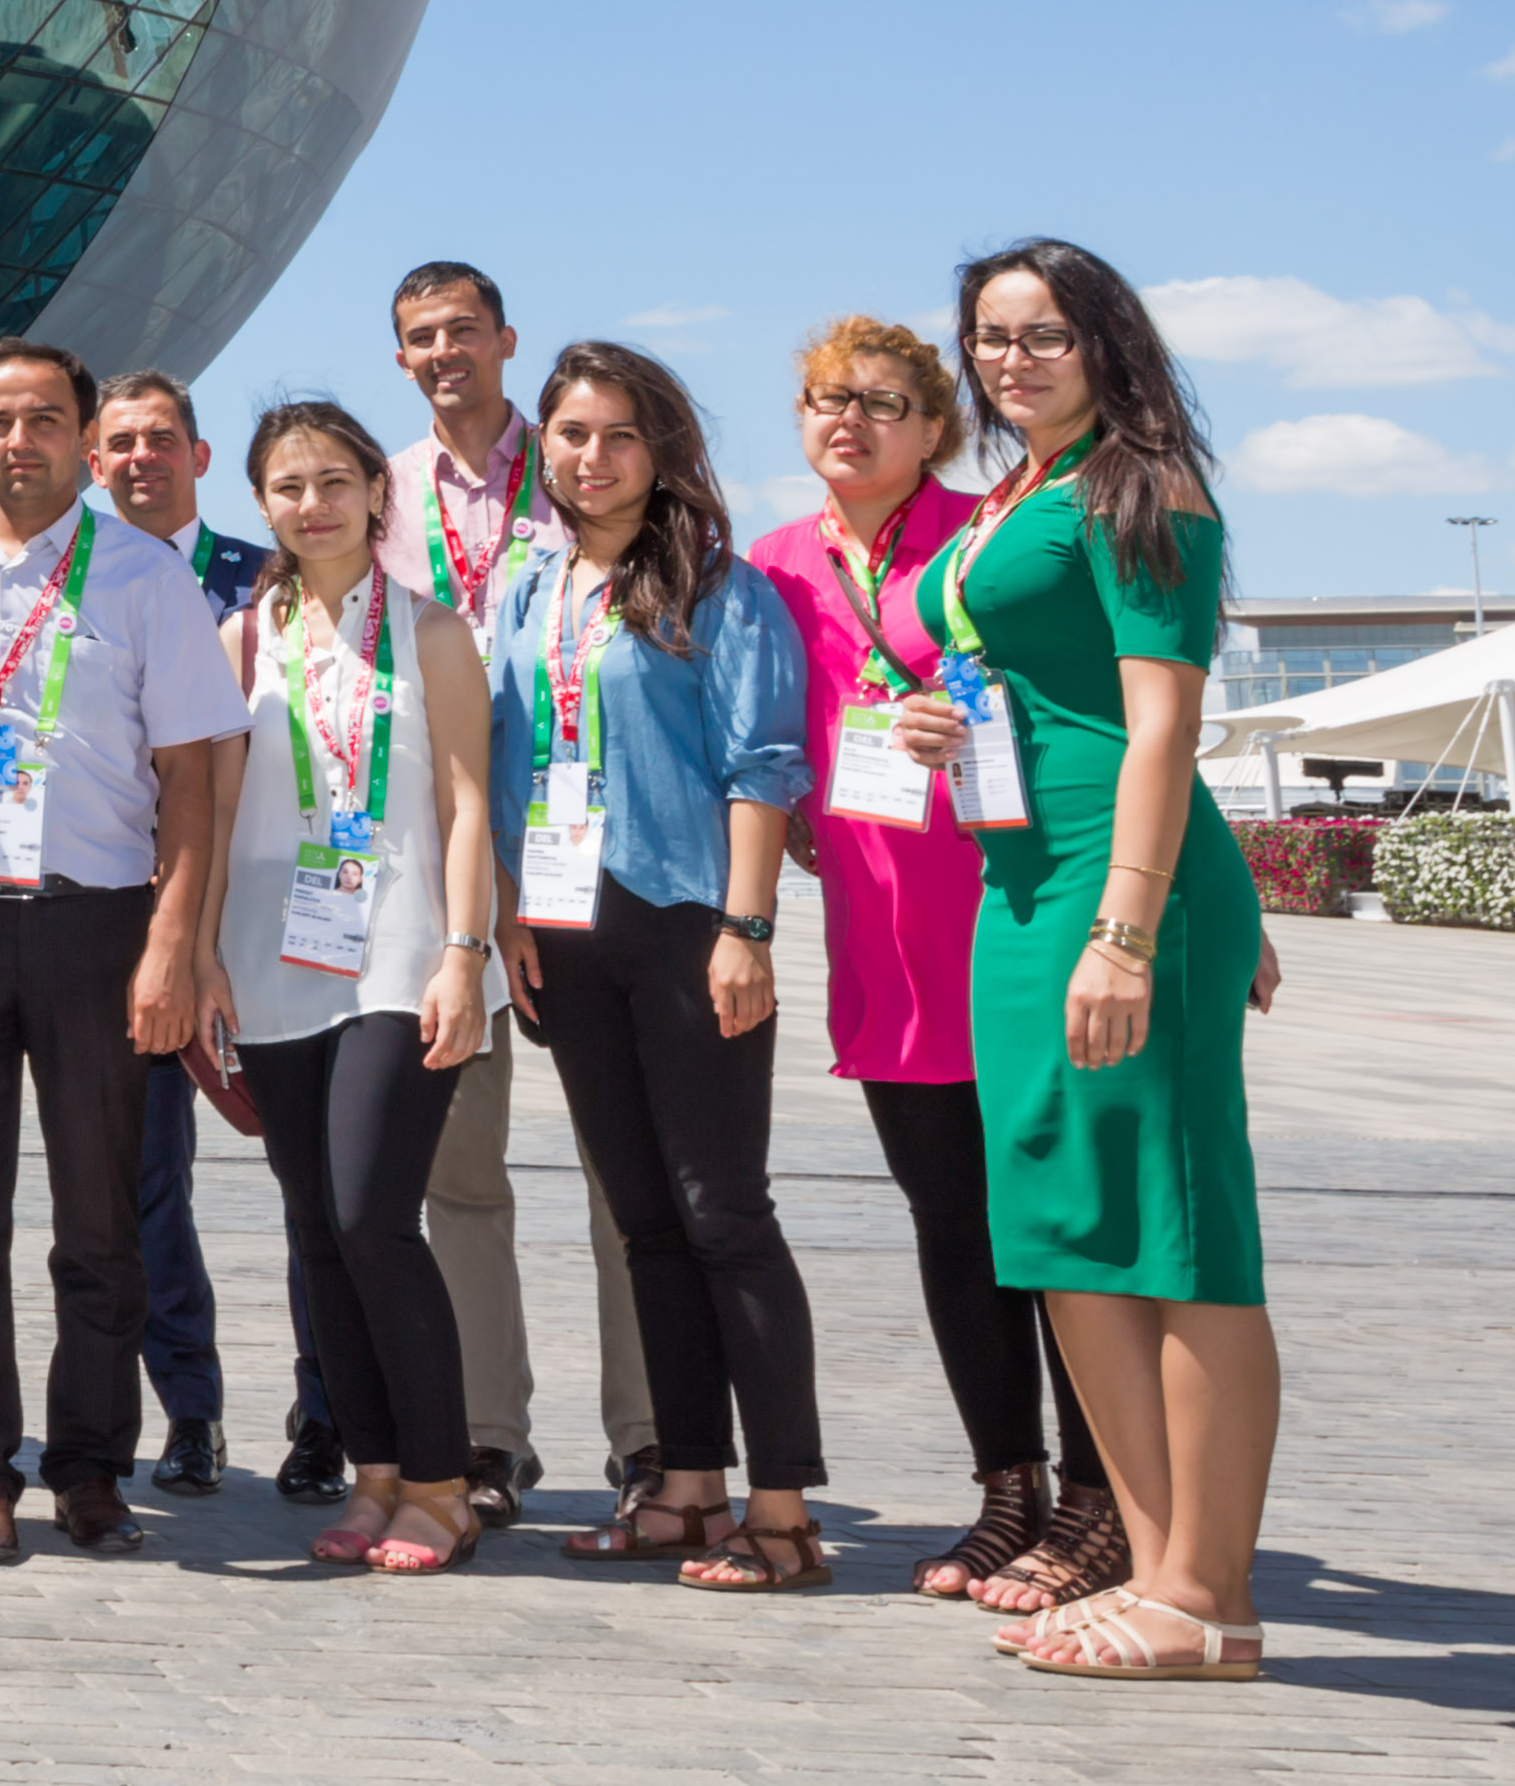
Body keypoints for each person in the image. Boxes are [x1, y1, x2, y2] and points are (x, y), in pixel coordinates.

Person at [912, 244, 1279, 1685]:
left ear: (1106, 342)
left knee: (1173, 1237)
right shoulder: (1015, 494)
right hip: (1018, 884)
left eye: (1044, 333)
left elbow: (1163, 724)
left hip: (1111, 893)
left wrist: (1131, 929)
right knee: (1063, 1234)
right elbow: (1045, 686)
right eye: (990, 336)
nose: (1011, 359)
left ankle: (1209, 1597)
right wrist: (952, 724)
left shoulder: (1145, 486)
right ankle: (1150, 1564)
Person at [758, 313, 1121, 1615]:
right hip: (882, 943)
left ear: (934, 428)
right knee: (950, 1225)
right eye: (825, 399)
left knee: (1048, 1221)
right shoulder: (772, 566)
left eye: (879, 402)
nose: (846, 422)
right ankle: (1008, 1487)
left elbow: (1097, 704)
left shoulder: (988, 539)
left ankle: (1100, 1493)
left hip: (1009, 918)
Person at [0, 339, 242, 1563]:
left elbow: (191, 775)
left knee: (102, 1216)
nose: (20, 440)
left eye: (46, 418)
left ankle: (91, 1466)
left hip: (100, 927)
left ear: (83, 439)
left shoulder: (146, 574)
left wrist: (173, 943)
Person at [486, 341, 828, 1588]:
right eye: (572, 432)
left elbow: (763, 766)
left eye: (619, 433)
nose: (592, 456)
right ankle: (687, 1485)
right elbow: (507, 753)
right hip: (567, 927)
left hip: (689, 922)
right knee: (644, 1220)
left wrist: (748, 929)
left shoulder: (721, 587)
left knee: (722, 1210)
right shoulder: (529, 586)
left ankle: (781, 1508)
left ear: (663, 446)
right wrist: (511, 913)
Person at [215, 401, 497, 1577]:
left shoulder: (431, 630)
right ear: (261, 502)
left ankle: (440, 1482)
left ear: (379, 490)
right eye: (289, 484)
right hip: (271, 953)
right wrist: (199, 954)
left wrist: (465, 951)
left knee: (374, 1212)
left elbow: (468, 801)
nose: (314, 502)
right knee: (317, 1227)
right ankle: (374, 1470)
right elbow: (216, 806)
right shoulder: (244, 635)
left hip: (398, 948)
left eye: (336, 478)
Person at [378, 260, 614, 1519]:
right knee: (459, 1174)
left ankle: (652, 1436)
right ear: (400, 356)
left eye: (463, 327)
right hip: (448, 868)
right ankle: (485, 1436)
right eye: (421, 335)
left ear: (506, 338)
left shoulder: (581, 464)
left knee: (624, 1174)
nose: (444, 350)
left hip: (587, 860)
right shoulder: (382, 492)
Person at [88, 368, 308, 1499]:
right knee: (143, 1181)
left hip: (267, 917)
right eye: (120, 443)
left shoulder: (271, 581)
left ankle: (331, 1414)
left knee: (314, 1175)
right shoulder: (75, 579)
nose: (141, 459)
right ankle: (189, 1409)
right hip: (126, 916)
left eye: (160, 439)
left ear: (199, 456)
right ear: (95, 463)